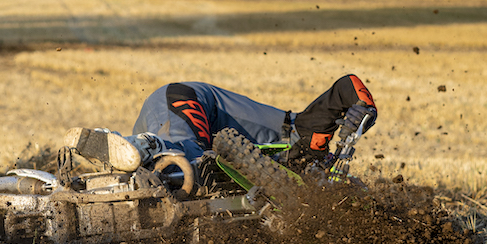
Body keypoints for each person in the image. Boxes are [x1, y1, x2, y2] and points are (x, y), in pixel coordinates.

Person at [63, 74, 377, 172]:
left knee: (187, 179)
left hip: (200, 136)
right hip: (187, 101)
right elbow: (347, 85)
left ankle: (130, 166)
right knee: (188, 156)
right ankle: (145, 144)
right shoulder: (303, 132)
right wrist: (364, 110)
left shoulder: (294, 182)